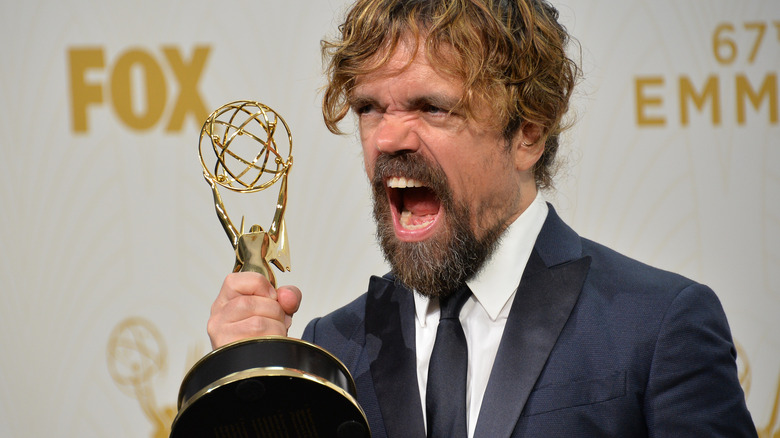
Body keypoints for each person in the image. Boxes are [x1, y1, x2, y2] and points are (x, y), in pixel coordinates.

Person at [206, 0, 757, 436]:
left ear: (529, 133)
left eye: (432, 107)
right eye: (369, 108)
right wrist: (246, 397)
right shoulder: (332, 350)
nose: (387, 138)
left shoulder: (657, 326)